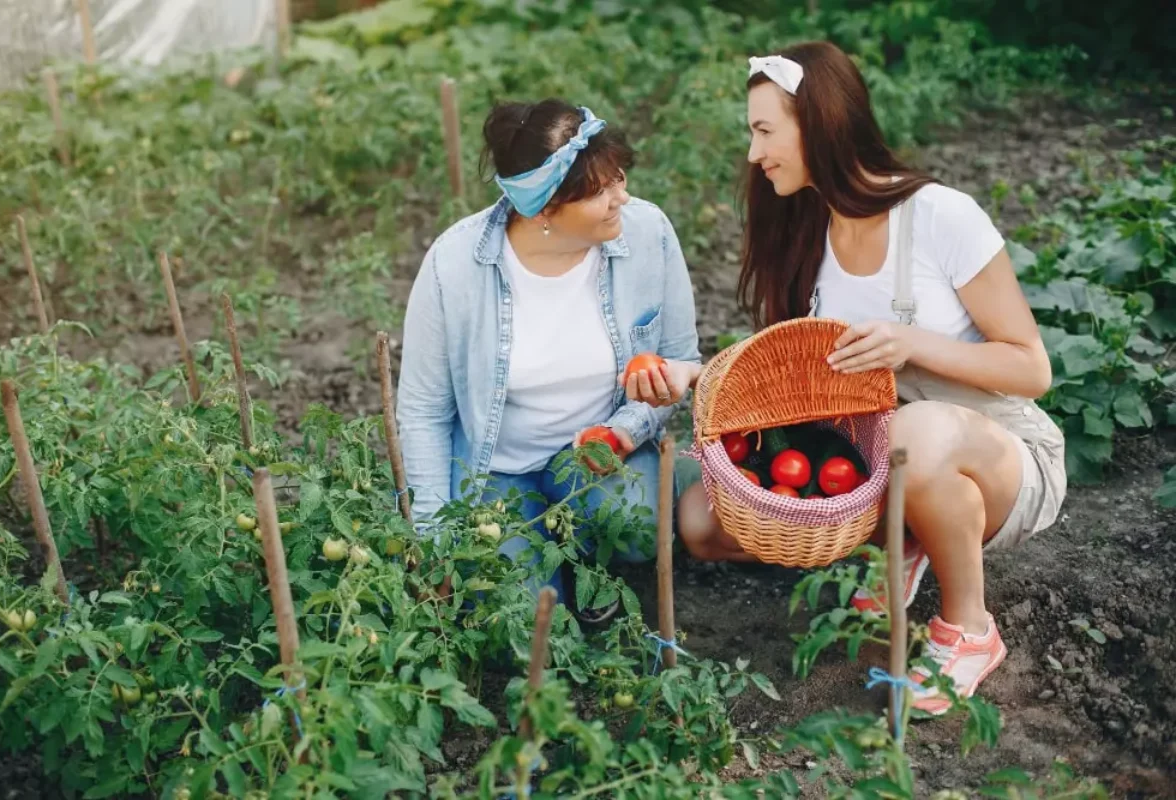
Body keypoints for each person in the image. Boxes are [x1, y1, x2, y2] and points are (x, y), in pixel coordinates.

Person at [624, 41, 1066, 713]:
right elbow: (799, 377)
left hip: (1002, 457)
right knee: (701, 522)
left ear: (820, 123)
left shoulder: (940, 216)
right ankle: (905, 535)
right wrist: (695, 374)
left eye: (765, 131)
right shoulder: (812, 233)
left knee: (910, 434)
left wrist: (909, 343)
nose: (753, 153)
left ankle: (970, 628)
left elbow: (1031, 367)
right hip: (879, 460)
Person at [396, 98, 700, 612]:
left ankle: (577, 547)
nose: (622, 197)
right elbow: (423, 413)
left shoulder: (649, 235)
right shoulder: (455, 266)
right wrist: (432, 540)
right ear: (543, 209)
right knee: (516, 614)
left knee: (638, 526)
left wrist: (625, 429)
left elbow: (678, 357)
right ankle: (540, 556)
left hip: (593, 459)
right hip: (494, 468)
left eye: (618, 177)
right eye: (600, 190)